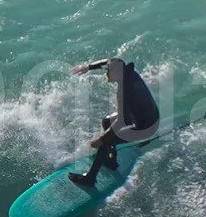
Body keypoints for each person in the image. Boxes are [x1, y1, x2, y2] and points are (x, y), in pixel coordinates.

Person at [69, 57, 162, 188]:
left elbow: (123, 122)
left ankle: (90, 178)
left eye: (108, 71)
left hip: (146, 126)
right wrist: (88, 67)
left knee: (107, 140)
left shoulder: (126, 89)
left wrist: (101, 139)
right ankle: (110, 160)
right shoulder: (126, 72)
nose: (106, 73)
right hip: (146, 116)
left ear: (116, 72)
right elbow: (109, 62)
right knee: (106, 122)